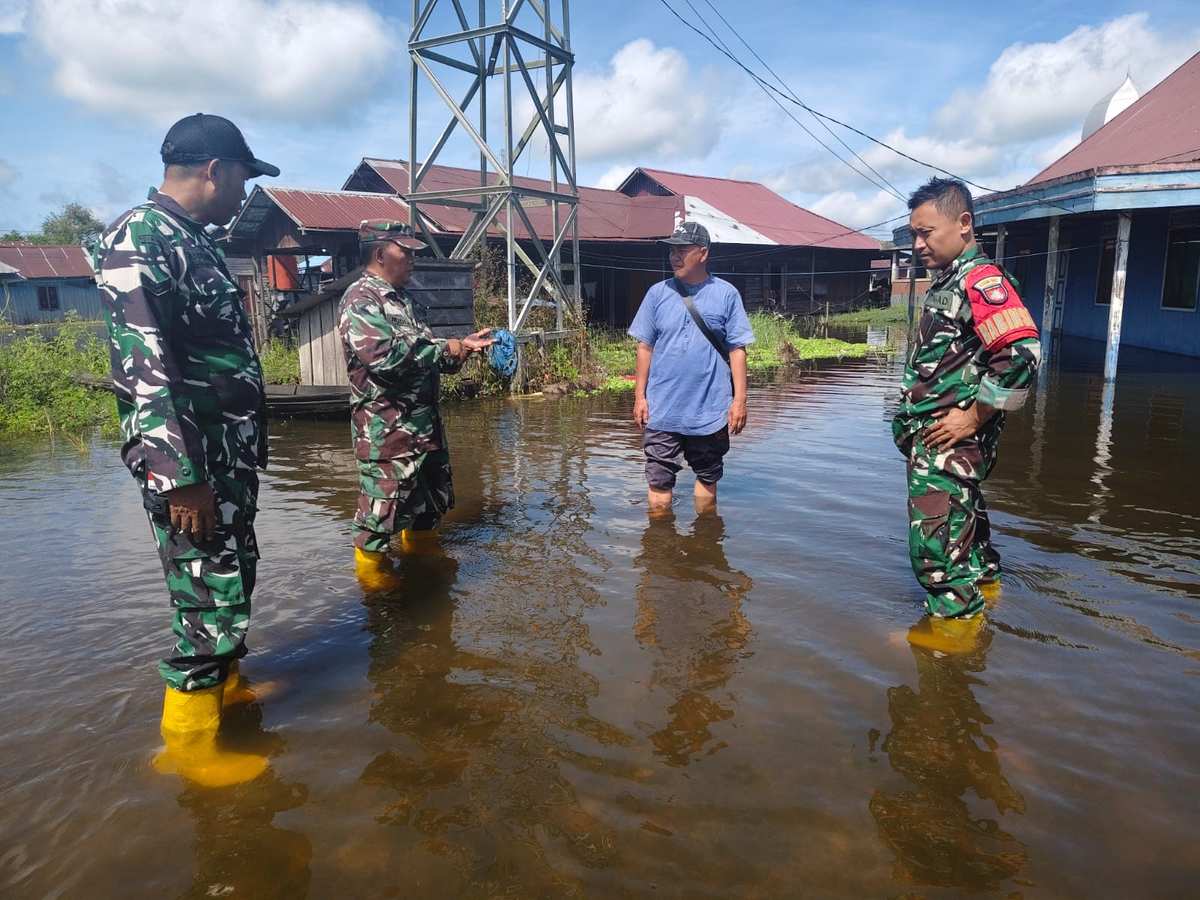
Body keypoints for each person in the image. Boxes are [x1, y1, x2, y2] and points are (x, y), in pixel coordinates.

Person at [92, 113, 279, 786]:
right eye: (244, 179)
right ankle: (191, 752)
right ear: (213, 171)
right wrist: (181, 479)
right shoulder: (138, 238)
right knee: (205, 599)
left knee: (233, 578)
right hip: (193, 468)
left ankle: (225, 697)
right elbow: (145, 369)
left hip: (226, 459)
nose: (244, 195)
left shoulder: (192, 241)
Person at [892, 177, 1041, 652]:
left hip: (948, 445)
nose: (918, 244)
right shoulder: (952, 280)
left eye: (926, 232)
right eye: (913, 234)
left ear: (963, 224)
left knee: (935, 546)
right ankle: (986, 595)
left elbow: (1022, 353)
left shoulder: (980, 280)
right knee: (966, 531)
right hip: (941, 444)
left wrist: (974, 417)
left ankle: (949, 640)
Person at [338, 220, 493, 589]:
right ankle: (376, 596)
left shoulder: (406, 301)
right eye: (405, 252)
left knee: (427, 509)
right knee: (379, 518)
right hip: (386, 434)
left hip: (424, 431)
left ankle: (427, 577)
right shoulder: (361, 299)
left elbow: (430, 357)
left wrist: (464, 347)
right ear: (379, 254)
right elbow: (382, 356)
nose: (412, 260)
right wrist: (445, 347)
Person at [629, 221, 754, 515]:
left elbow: (737, 350)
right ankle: (661, 553)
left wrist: (740, 401)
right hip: (662, 409)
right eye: (672, 250)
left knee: (708, 479)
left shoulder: (726, 294)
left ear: (703, 253)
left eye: (682, 250)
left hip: (709, 409)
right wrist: (639, 397)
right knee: (658, 484)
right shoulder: (657, 294)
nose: (674, 256)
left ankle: (704, 546)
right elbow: (644, 347)